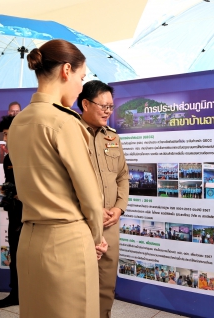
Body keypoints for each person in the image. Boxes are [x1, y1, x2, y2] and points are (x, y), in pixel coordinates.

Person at [8, 39, 107, 318]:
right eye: (81, 77)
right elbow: (90, 195)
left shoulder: (18, 122)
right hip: (68, 243)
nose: (80, 86)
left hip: (29, 241)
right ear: (66, 70)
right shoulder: (65, 122)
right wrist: (97, 238)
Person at [78, 80, 129, 318]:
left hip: (110, 222)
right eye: (103, 106)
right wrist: (94, 211)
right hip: (81, 222)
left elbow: (122, 176)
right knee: (80, 283)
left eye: (111, 107)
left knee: (107, 283)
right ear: (85, 103)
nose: (108, 112)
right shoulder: (71, 134)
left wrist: (119, 209)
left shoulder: (113, 138)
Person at [0, 115, 22, 308]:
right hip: (14, 214)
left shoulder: (31, 154)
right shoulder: (8, 157)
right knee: (14, 252)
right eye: (4, 134)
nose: (5, 138)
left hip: (33, 216)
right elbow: (10, 183)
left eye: (7, 134)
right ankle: (16, 293)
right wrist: (7, 190)